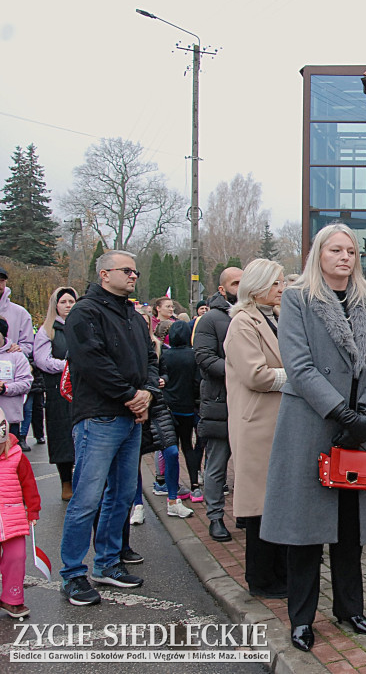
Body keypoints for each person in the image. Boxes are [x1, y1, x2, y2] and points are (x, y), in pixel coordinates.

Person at [260, 224, 366, 650]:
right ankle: (302, 618)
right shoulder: (298, 299)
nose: (345, 257)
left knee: (350, 527)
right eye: (336, 250)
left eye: (351, 251)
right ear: (318, 254)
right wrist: (341, 412)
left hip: (361, 428)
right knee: (306, 529)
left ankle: (350, 608)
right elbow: (299, 365)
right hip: (313, 425)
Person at [60, 250, 157, 606]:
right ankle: (73, 574)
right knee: (87, 498)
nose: (133, 276)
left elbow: (150, 358)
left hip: (131, 417)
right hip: (99, 417)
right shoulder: (85, 312)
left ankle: (107, 563)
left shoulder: (133, 315)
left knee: (122, 495)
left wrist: (147, 392)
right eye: (126, 270)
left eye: (135, 271)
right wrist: (131, 395)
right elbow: (92, 362)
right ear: (104, 274)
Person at [224, 258, 289, 600]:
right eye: (275, 282)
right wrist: (298, 378)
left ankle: (280, 572)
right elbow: (256, 375)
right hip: (257, 424)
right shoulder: (242, 323)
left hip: (276, 422)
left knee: (275, 504)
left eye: (281, 282)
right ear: (257, 286)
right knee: (259, 506)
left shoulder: (274, 317)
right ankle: (261, 578)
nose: (281, 288)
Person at [194, 266, 243, 542]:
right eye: (235, 283)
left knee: (248, 463)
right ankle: (215, 517)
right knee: (216, 465)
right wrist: (241, 371)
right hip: (219, 402)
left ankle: (247, 513)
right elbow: (204, 358)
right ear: (222, 289)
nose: (241, 286)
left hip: (249, 403)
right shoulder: (210, 319)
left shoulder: (254, 314)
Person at [34, 287, 78, 500]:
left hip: (81, 390)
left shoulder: (80, 327)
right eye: (63, 302)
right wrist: (69, 365)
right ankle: (65, 482)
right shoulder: (47, 330)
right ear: (56, 305)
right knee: (62, 436)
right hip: (57, 391)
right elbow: (42, 360)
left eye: (71, 301)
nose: (68, 305)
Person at [0, 408, 41, 618]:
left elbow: (29, 484)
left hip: (12, 518)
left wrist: (32, 510)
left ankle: (12, 598)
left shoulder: (16, 455)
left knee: (16, 557)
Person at [159, 321, 203, 504]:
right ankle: (195, 485)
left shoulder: (165, 355)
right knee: (187, 445)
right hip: (187, 407)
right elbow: (197, 382)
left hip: (169, 407)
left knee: (171, 448)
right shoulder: (193, 356)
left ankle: (173, 486)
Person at [0, 319, 33, 466]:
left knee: (9, 464)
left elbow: (26, 383)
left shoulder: (16, 356)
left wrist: (5, 388)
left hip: (9, 420)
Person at [0, 267, 34, 355]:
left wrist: (19, 349)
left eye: (2, 280)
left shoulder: (21, 313)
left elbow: (28, 346)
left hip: (11, 362)